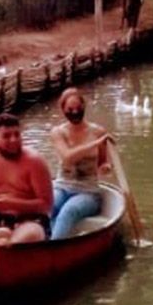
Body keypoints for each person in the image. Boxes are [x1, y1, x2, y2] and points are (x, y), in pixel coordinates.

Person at [48, 88, 112, 240]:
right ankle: (43, 243)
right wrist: (95, 143)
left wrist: (105, 168)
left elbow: (103, 162)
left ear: (84, 106)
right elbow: (67, 158)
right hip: (62, 186)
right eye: (70, 109)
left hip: (88, 191)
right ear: (63, 109)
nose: (75, 112)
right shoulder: (58, 132)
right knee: (48, 208)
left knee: (68, 210)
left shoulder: (98, 132)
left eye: (78, 108)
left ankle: (52, 249)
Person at [0, 113, 54, 243]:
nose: (14, 140)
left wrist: (11, 204)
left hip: (29, 220)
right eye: (7, 136)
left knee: (22, 239)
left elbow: (46, 205)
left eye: (17, 134)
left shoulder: (34, 162)